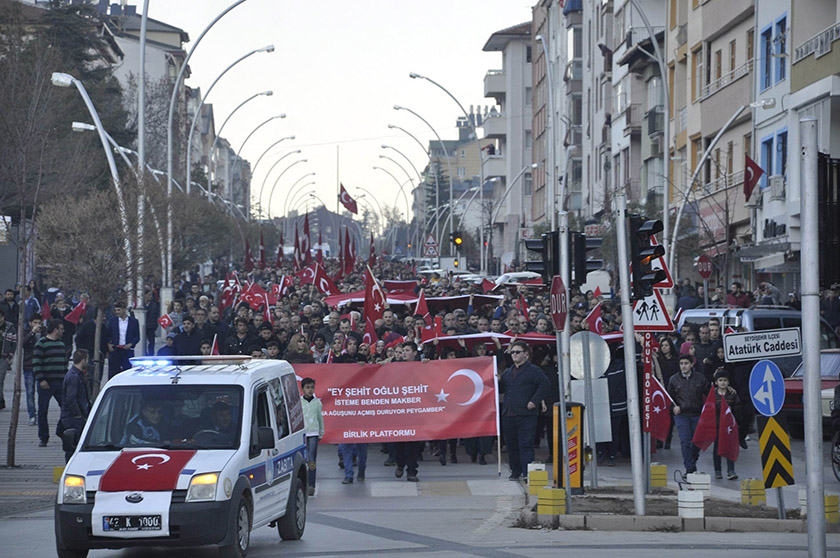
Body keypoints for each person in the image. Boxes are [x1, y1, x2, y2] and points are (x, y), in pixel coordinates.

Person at [498, 340, 550, 481]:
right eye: (512, 352)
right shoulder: (508, 372)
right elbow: (502, 389)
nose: (514, 354)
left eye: (517, 352)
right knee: (511, 445)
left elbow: (545, 384)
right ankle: (515, 471)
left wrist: (534, 401)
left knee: (526, 444)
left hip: (526, 414)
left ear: (526, 354)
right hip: (509, 413)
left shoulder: (533, 370)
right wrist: (497, 380)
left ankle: (528, 472)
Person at [667, 354, 710, 474]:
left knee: (696, 441)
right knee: (685, 441)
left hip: (697, 414)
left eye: (686, 363)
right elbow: (669, 398)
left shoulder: (700, 378)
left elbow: (709, 394)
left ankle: (693, 459)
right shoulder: (674, 379)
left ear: (691, 364)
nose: (684, 366)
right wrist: (673, 407)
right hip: (682, 415)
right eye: (681, 364)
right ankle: (689, 468)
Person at [33, 319, 66, 447]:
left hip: (60, 382)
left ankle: (61, 431)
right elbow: (36, 363)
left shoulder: (61, 344)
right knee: (42, 411)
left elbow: (64, 364)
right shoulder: (41, 344)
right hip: (46, 383)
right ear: (55, 329)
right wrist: (41, 380)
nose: (63, 331)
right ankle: (43, 437)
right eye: (61, 328)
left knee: (66, 408)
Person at [58, 349, 90, 462]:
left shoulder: (76, 375)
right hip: (73, 418)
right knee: (72, 445)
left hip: (72, 416)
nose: (88, 362)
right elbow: (71, 398)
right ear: (82, 360)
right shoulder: (74, 376)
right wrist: (78, 414)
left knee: (73, 444)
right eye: (87, 359)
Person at [710, 368, 740, 480]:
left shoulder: (732, 394)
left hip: (729, 426)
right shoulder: (712, 395)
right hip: (717, 425)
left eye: (725, 380)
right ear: (716, 382)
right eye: (720, 380)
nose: (723, 382)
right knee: (717, 447)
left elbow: (738, 409)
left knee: (729, 447)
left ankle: (731, 470)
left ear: (728, 382)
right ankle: (718, 471)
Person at [300, 377, 324, 496]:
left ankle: (311, 485)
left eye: (312, 387)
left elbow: (320, 418)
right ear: (303, 389)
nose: (310, 390)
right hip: (302, 434)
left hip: (313, 433)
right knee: (301, 460)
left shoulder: (317, 402)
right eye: (307, 387)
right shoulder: (299, 402)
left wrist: (321, 432)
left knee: (312, 460)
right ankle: (302, 484)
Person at [22, 313, 43, 425]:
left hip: (41, 366)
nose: (37, 325)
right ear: (30, 323)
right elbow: (22, 343)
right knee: (30, 392)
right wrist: (32, 333)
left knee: (41, 392)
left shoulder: (44, 333)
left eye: (39, 323)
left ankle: (40, 415)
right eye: (35, 323)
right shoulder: (26, 332)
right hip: (29, 365)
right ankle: (32, 415)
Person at [107, 301, 139, 376]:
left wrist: (130, 344)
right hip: (115, 350)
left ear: (124, 309)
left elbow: (137, 336)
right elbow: (108, 335)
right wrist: (109, 344)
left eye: (119, 310)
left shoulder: (133, 322)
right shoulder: (112, 321)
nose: (117, 312)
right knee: (113, 371)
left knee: (127, 371)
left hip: (127, 351)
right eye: (116, 310)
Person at [0, 308, 17, 410]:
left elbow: (14, 343)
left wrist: (10, 356)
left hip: (3, 357)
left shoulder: (10, 328)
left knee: (0, 379)